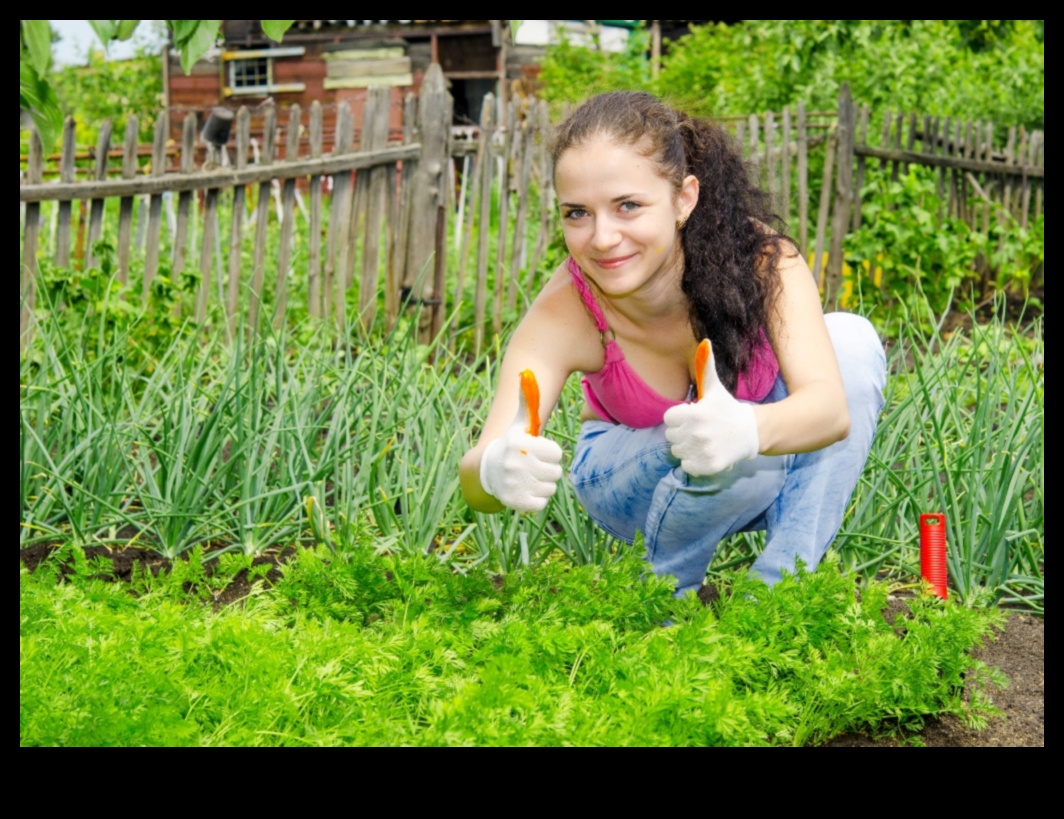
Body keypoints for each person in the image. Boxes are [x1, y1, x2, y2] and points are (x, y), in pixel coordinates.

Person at [459, 91, 886, 596]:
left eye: (628, 206)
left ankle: (777, 593)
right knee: (711, 439)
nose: (601, 238)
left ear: (684, 198)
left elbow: (832, 413)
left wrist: (746, 429)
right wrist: (492, 470)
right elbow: (474, 472)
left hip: (754, 473)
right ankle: (662, 600)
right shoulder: (566, 310)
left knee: (850, 341)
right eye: (577, 213)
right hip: (623, 479)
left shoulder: (763, 262)